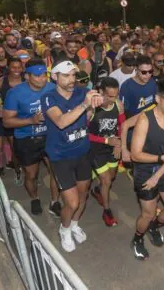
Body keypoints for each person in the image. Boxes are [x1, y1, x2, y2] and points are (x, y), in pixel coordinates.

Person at [42, 59, 104, 252]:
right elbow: (61, 122)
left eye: (73, 75)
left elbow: (88, 116)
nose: (71, 79)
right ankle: (64, 228)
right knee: (72, 202)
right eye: (66, 75)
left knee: (84, 194)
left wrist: (96, 104)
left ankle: (75, 224)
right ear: (54, 76)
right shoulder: (48, 97)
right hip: (60, 156)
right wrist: (85, 105)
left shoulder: (83, 92)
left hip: (83, 152)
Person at [129, 77, 164, 261]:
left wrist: (159, 173)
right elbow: (135, 155)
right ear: (157, 99)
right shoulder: (145, 120)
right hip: (145, 171)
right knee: (148, 213)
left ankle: (153, 226)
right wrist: (160, 160)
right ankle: (137, 238)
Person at [3, 59, 59, 216]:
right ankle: (34, 198)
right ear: (27, 76)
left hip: (50, 137)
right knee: (31, 175)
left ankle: (55, 202)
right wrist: (30, 120)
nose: (42, 78)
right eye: (37, 75)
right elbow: (7, 122)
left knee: (56, 171)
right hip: (27, 139)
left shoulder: (53, 88)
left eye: (44, 75)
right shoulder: (15, 93)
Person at [88, 77, 125, 227]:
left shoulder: (118, 104)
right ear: (101, 92)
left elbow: (123, 126)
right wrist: (106, 141)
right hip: (96, 150)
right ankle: (107, 210)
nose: (113, 99)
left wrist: (120, 143)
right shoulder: (91, 108)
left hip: (113, 148)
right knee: (106, 181)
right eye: (110, 96)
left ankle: (98, 190)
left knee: (112, 176)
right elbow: (84, 134)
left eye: (116, 95)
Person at [0, 57, 24, 177]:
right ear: (8, 67)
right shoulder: (0, 82)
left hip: (27, 118)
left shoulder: (28, 80)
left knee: (27, 147)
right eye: (14, 67)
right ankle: (18, 169)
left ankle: (27, 169)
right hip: (11, 120)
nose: (17, 70)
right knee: (15, 146)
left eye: (19, 67)